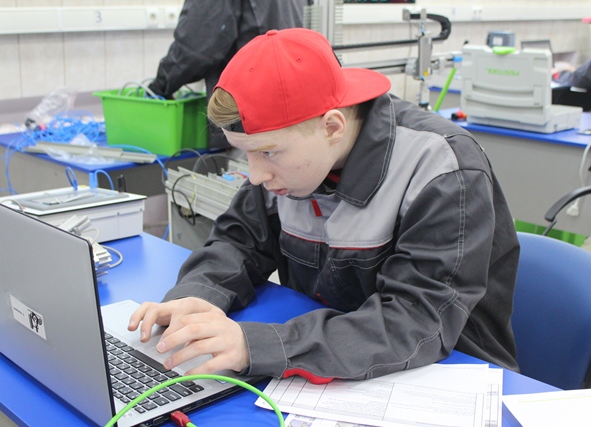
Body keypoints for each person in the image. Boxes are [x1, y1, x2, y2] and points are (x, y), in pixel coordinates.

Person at [129, 28, 520, 383]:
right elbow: (238, 241)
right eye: (245, 153)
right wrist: (198, 296)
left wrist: (258, 345)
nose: (256, 175)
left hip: (447, 376)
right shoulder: (290, 153)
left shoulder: (441, 167)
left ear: (332, 126)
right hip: (330, 361)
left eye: (267, 153)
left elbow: (416, 320)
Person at [148, 0, 308, 148]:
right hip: (296, 112)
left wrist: (159, 86)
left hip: (245, 123)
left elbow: (195, 48)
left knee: (248, 166)